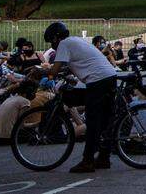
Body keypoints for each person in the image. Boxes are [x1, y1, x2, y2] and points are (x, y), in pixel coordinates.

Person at [44, 22, 118, 172]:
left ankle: (88, 161)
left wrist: (40, 72)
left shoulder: (64, 44)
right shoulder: (76, 40)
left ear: (57, 38)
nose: (53, 46)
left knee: (92, 121)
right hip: (109, 76)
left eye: (52, 41)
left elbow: (54, 70)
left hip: (97, 80)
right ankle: (104, 157)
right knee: (104, 118)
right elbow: (76, 63)